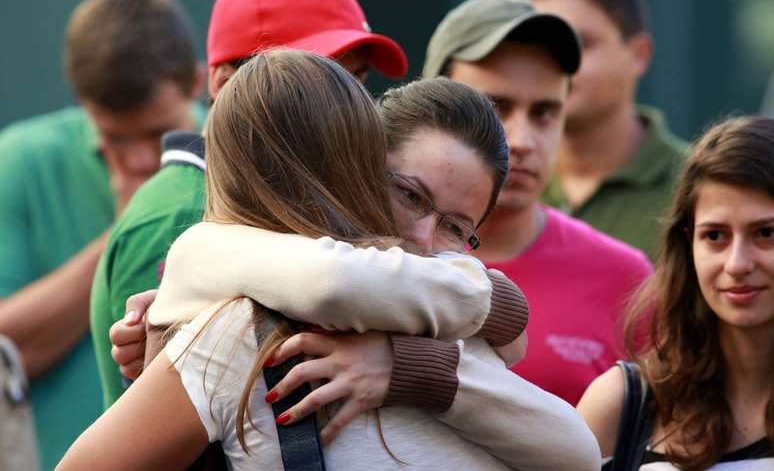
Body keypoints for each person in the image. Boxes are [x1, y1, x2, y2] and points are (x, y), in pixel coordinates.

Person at [62, 51, 600, 470]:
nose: (420, 237)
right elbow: (320, 277)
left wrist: (409, 368)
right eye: (409, 194)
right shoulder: (239, 326)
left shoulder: (442, 330)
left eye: (457, 229)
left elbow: (578, 451)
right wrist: (487, 297)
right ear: (354, 169)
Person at [90, 0, 408, 409]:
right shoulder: (180, 213)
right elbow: (166, 432)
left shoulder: (280, 195)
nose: (344, 103)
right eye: (311, 78)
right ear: (223, 82)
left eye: (355, 79)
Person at [0, 0, 205, 469]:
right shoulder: (22, 160)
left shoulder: (238, 157)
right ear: (82, 104)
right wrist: (127, 229)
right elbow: (7, 350)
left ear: (198, 82)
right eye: (114, 136)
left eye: (159, 133)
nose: (140, 158)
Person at [422, 0, 652, 406]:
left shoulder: (626, 279)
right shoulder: (366, 255)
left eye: (545, 113)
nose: (522, 141)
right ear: (430, 108)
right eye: (494, 108)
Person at [577, 116, 774, 470]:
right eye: (715, 236)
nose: (737, 263)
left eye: (765, 233)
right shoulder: (623, 405)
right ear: (687, 245)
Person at [512, 0, 688, 260]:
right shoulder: (496, 185)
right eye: (538, 45)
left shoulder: (697, 186)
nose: (557, 62)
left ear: (638, 55)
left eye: (578, 43)